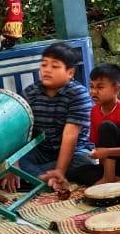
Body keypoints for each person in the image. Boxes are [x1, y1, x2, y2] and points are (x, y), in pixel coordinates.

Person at [16, 43, 97, 192]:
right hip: (43, 152)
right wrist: (13, 166)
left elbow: (70, 136)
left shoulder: (78, 94)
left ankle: (40, 179)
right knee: (15, 162)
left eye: (55, 66)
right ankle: (48, 179)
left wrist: (60, 169)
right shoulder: (31, 93)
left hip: (75, 152)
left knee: (84, 161)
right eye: (44, 64)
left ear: (70, 73)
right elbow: (18, 130)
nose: (47, 70)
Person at [68, 63, 120, 186]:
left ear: (116, 89)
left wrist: (107, 152)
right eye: (91, 87)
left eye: (100, 87)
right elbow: (99, 146)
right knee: (73, 173)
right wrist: (101, 155)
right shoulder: (94, 111)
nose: (93, 92)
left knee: (106, 126)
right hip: (114, 166)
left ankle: (110, 179)